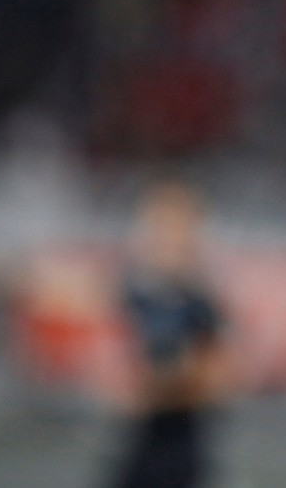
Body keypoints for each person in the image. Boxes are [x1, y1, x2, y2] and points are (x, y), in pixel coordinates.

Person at [110, 178, 227, 488]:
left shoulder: (199, 303)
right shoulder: (134, 294)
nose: (168, 239)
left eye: (177, 228)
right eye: (160, 227)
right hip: (131, 448)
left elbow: (221, 378)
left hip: (180, 451)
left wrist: (162, 386)